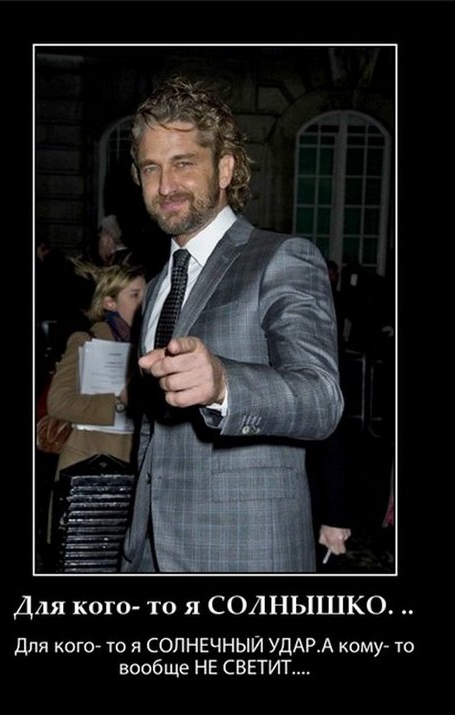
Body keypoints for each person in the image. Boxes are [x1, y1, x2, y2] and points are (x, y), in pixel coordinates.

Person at [120, 75, 344, 573]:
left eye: (183, 163)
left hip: (245, 555)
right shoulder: (156, 287)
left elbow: (322, 399)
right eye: (151, 168)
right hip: (152, 553)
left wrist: (224, 384)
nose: (165, 185)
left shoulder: (282, 258)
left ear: (224, 168)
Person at [46, 261, 146, 479]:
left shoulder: (149, 347)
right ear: (110, 303)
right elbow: (58, 403)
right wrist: (119, 402)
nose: (144, 302)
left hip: (135, 466)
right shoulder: (85, 341)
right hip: (87, 461)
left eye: (147, 295)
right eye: (135, 295)